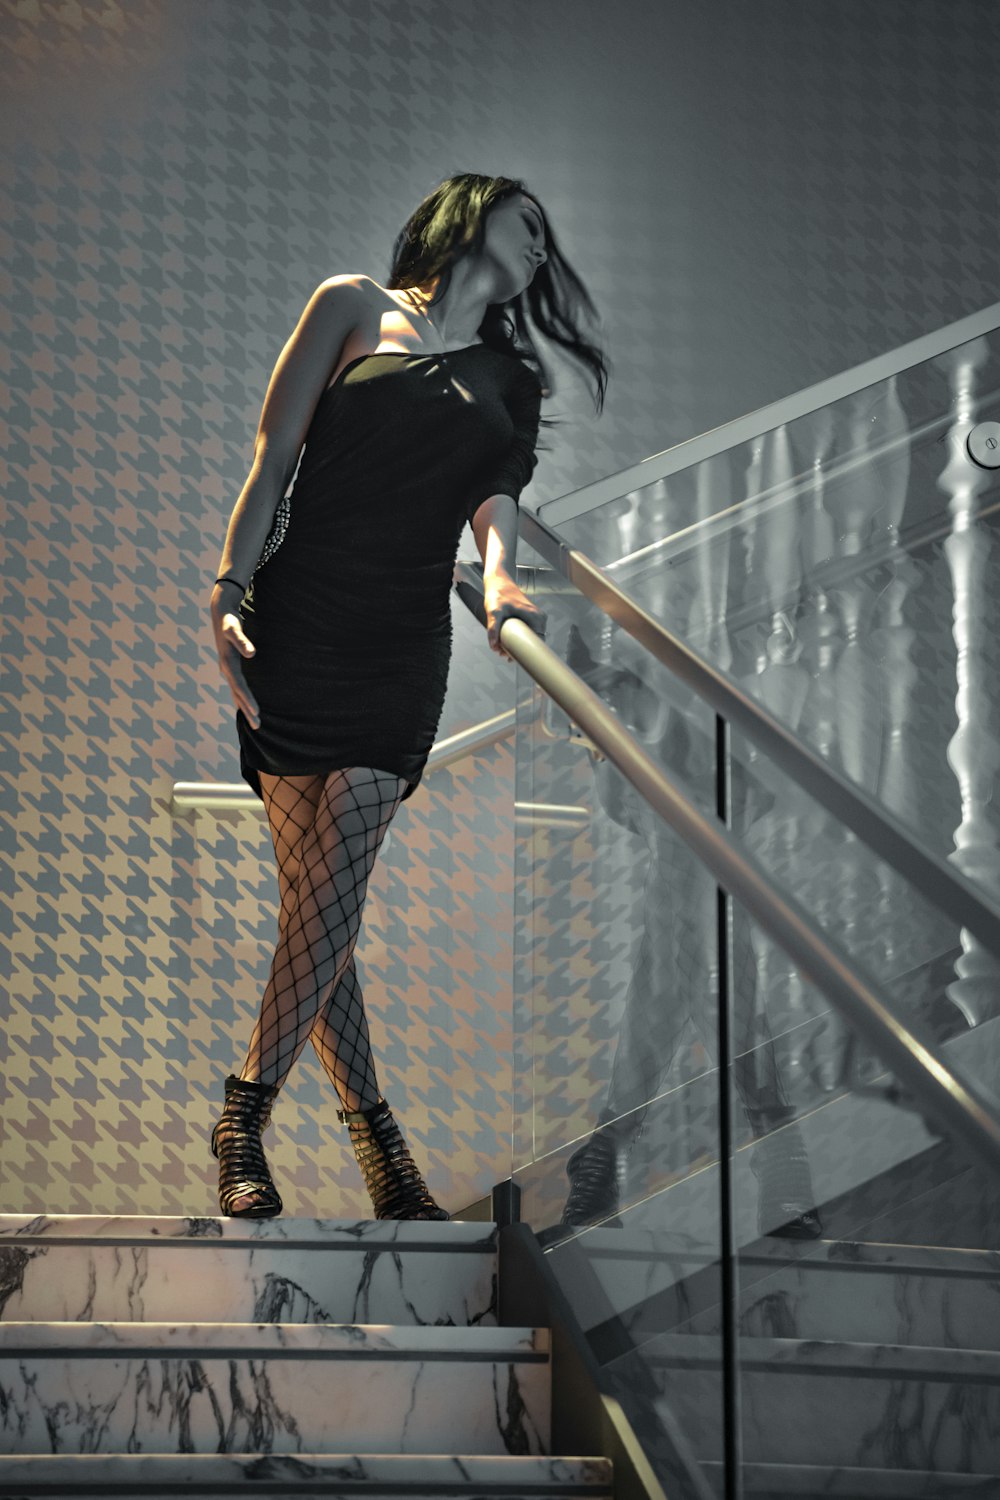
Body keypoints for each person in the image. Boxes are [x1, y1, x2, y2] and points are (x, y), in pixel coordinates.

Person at [208, 172, 609, 1221]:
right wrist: (226, 590)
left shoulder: (508, 377)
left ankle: (242, 1111)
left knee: (332, 884)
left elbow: (492, 496)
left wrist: (506, 578)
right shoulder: (349, 307)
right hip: (300, 623)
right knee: (319, 909)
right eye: (528, 226)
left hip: (399, 645)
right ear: (470, 218)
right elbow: (274, 458)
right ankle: (382, 1152)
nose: (538, 250)